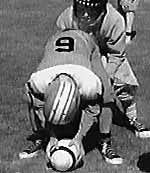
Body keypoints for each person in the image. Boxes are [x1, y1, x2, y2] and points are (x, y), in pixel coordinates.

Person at [56, 0, 150, 139]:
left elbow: (116, 54)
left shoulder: (115, 21)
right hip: (79, 55)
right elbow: (59, 48)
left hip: (106, 53)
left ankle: (131, 117)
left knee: (125, 84)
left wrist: (106, 77)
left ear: (102, 9)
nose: (85, 15)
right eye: (80, 8)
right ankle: (67, 117)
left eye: (91, 11)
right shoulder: (66, 19)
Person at [19, 28, 123, 165]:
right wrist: (51, 135)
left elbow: (92, 110)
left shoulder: (89, 84)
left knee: (107, 94)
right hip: (56, 42)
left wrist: (79, 137)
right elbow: (37, 105)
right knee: (30, 100)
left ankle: (105, 141)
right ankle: (40, 137)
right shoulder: (38, 81)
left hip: (86, 42)